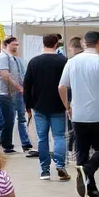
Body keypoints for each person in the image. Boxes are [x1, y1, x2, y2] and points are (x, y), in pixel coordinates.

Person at [58, 31, 99, 197]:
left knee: (82, 149)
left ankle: (90, 185)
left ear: (85, 43)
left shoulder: (72, 62)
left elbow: (61, 87)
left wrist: (67, 106)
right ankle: (88, 170)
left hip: (78, 113)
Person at [25, 33, 69, 182]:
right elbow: (67, 84)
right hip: (58, 104)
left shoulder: (34, 62)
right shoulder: (63, 61)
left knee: (42, 138)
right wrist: (68, 104)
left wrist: (28, 105)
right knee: (59, 137)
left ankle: (44, 170)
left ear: (43, 43)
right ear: (56, 44)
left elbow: (27, 85)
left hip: (39, 105)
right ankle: (60, 164)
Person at [0, 37, 30, 155]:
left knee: (9, 119)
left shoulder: (13, 58)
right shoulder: (3, 57)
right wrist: (19, 87)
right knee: (6, 120)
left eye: (17, 44)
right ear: (6, 44)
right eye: (14, 44)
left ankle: (6, 143)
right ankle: (0, 143)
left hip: (12, 93)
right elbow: (5, 75)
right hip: (4, 93)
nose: (16, 47)